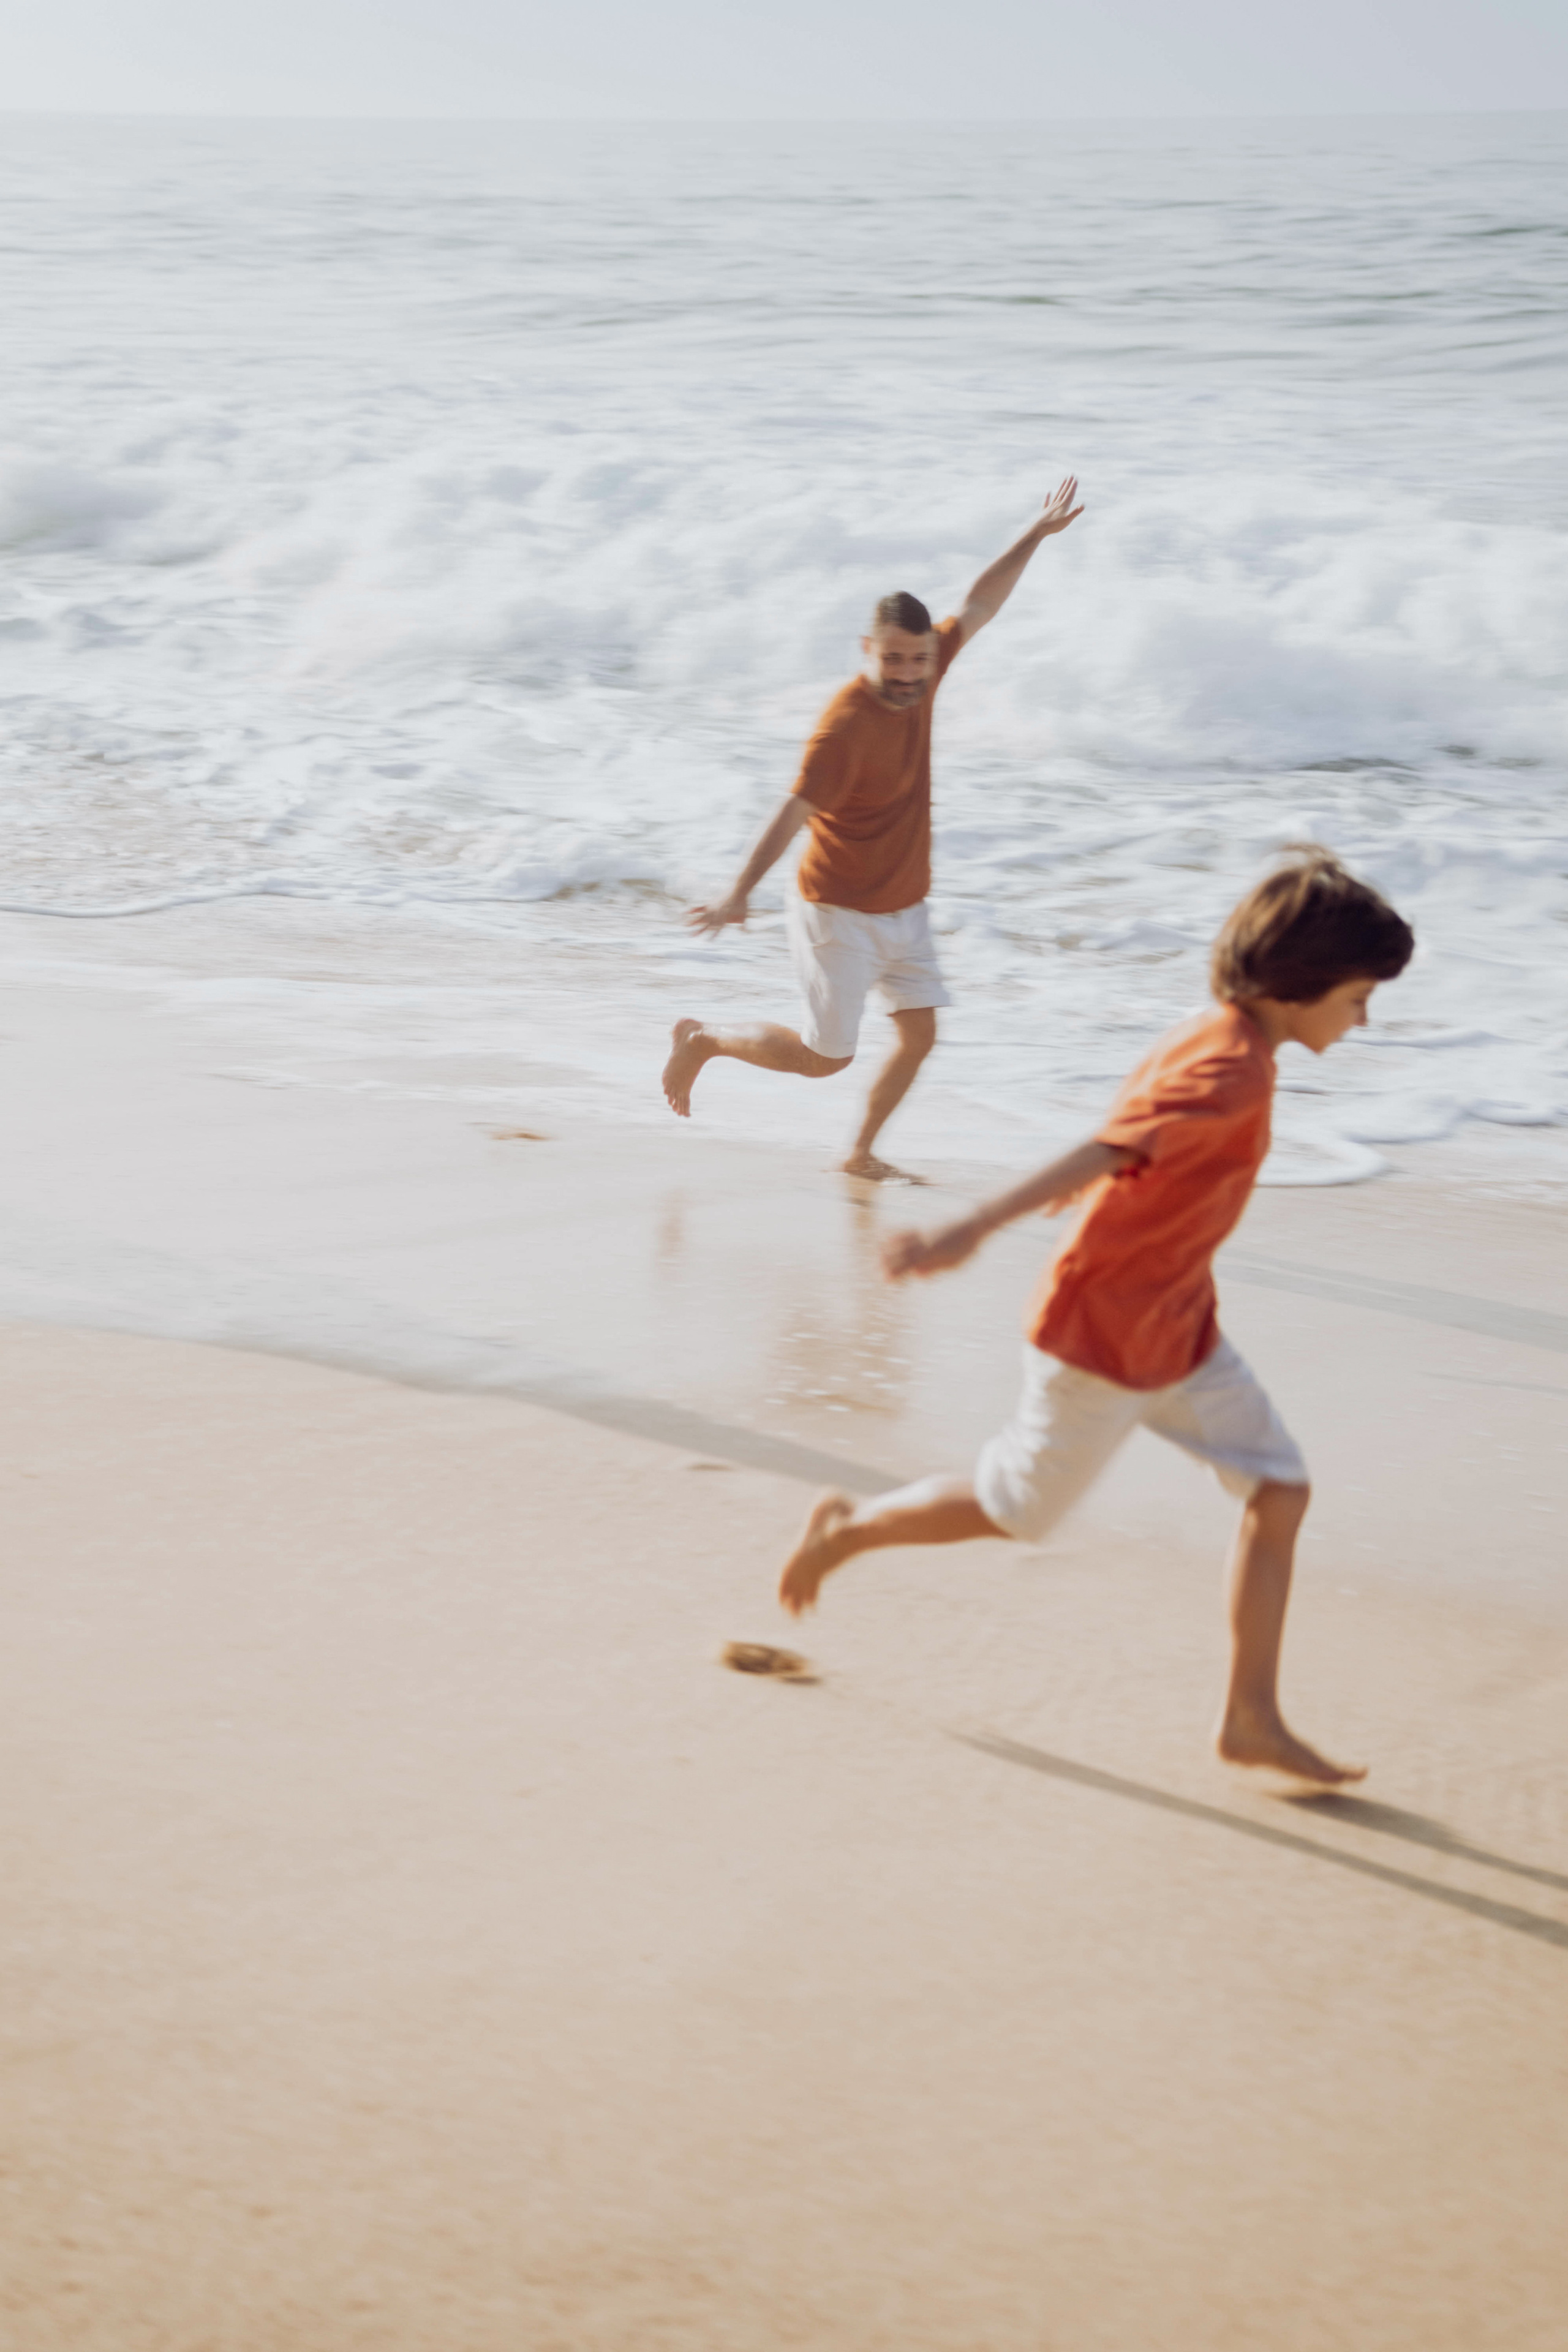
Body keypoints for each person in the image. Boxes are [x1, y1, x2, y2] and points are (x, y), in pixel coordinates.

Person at [776, 849, 1416, 1785]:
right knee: (1011, 1508)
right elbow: (1110, 1147)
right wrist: (973, 1226)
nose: (1364, 1018)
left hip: (1180, 1329)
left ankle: (1249, 1716)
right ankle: (851, 1529)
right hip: (1106, 1340)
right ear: (1301, 984)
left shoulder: (1225, 1038)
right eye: (1359, 997)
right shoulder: (1230, 1069)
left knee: (1280, 1492)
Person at [662, 479, 1085, 1180]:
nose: (908, 675)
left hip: (904, 902)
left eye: (918, 660)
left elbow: (979, 604)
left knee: (919, 1034)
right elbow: (791, 812)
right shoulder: (843, 728)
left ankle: (859, 1153)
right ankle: (704, 1040)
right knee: (825, 1059)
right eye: (892, 659)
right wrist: (739, 893)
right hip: (837, 911)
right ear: (868, 649)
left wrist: (1035, 535)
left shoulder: (927, 668)